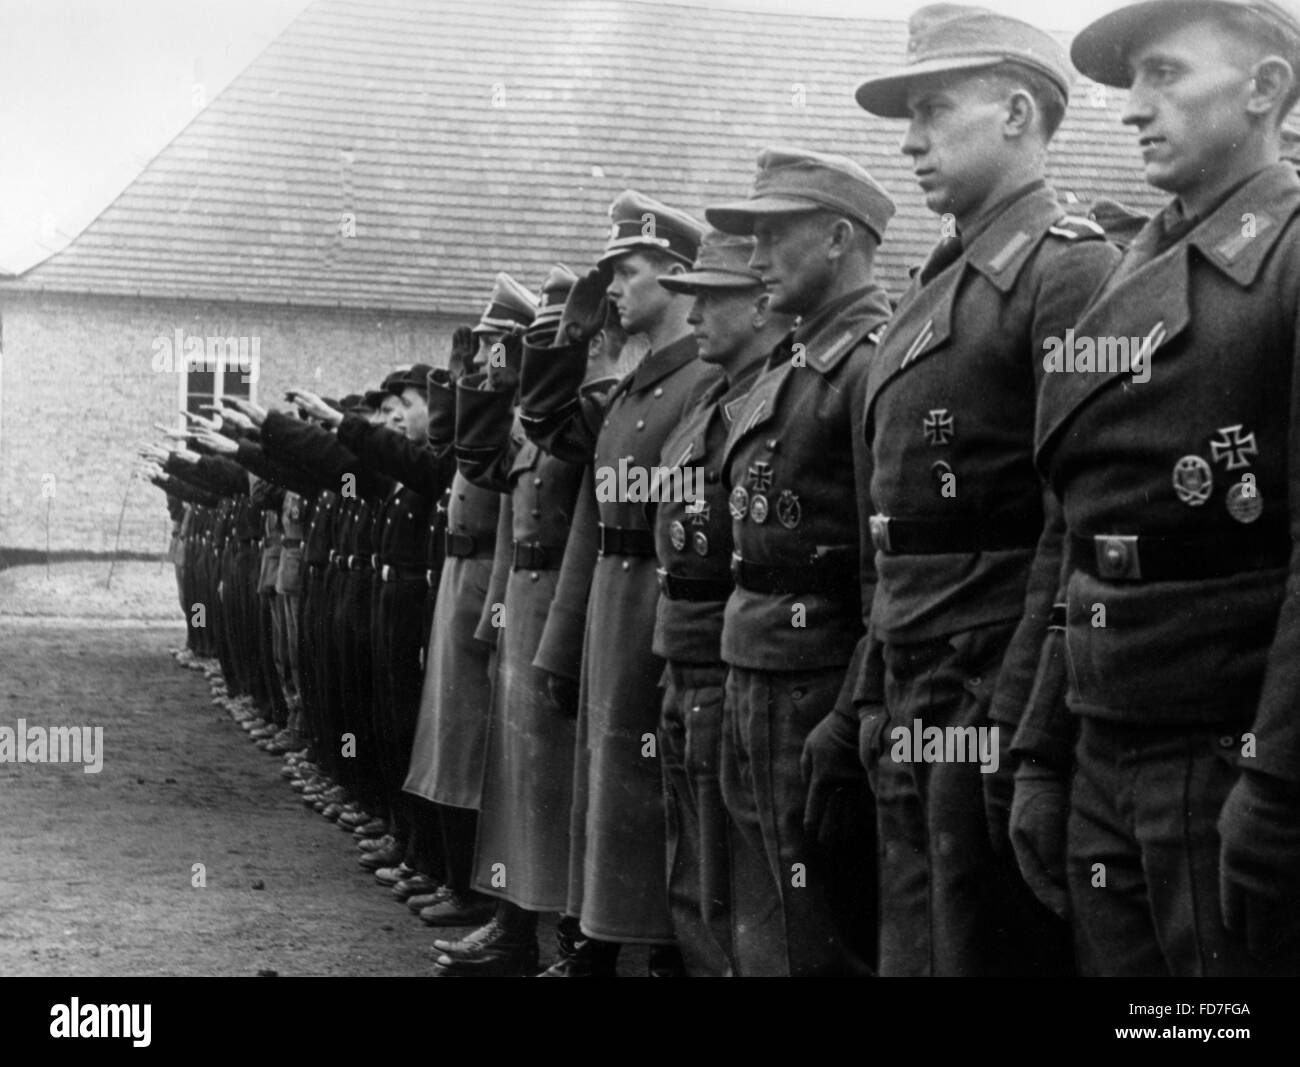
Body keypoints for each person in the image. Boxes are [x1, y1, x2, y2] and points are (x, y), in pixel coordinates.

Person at [1012, 0, 1300, 976]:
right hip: (1106, 736)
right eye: (1130, 82)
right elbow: (1084, 532)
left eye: (1165, 75)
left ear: (1265, 88)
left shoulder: (1288, 263)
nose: (1133, 108)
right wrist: (1044, 747)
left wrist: (1277, 781)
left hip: (1227, 752)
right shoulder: (1128, 272)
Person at [839, 3, 1121, 976]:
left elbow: (1074, 515)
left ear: (1013, 112)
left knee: (982, 947)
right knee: (914, 944)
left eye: (932, 110)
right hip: (915, 674)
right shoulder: (934, 286)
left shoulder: (1068, 270)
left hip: (990, 687)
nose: (910, 141)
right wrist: (872, 686)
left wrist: (1016, 719)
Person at [705, 146, 893, 975]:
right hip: (755, 664)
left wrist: (852, 710)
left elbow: (883, 571)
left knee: (818, 928)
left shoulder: (866, 366)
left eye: (774, 235)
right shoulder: (798, 361)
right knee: (766, 913)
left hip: (814, 681)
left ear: (839, 239)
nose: (754, 259)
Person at [519, 190, 717, 975]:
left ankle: (652, 952)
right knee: (604, 793)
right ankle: (594, 943)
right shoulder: (627, 391)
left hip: (658, 610)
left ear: (677, 275)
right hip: (609, 606)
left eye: (629, 273)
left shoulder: (703, 379)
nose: (616, 291)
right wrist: (559, 644)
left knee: (652, 800)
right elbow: (548, 437)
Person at [652, 230, 795, 975]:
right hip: (682, 652)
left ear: (763, 302)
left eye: (713, 297)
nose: (695, 312)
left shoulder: (776, 400)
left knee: (741, 891)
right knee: (697, 887)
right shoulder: (707, 401)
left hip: (727, 658)